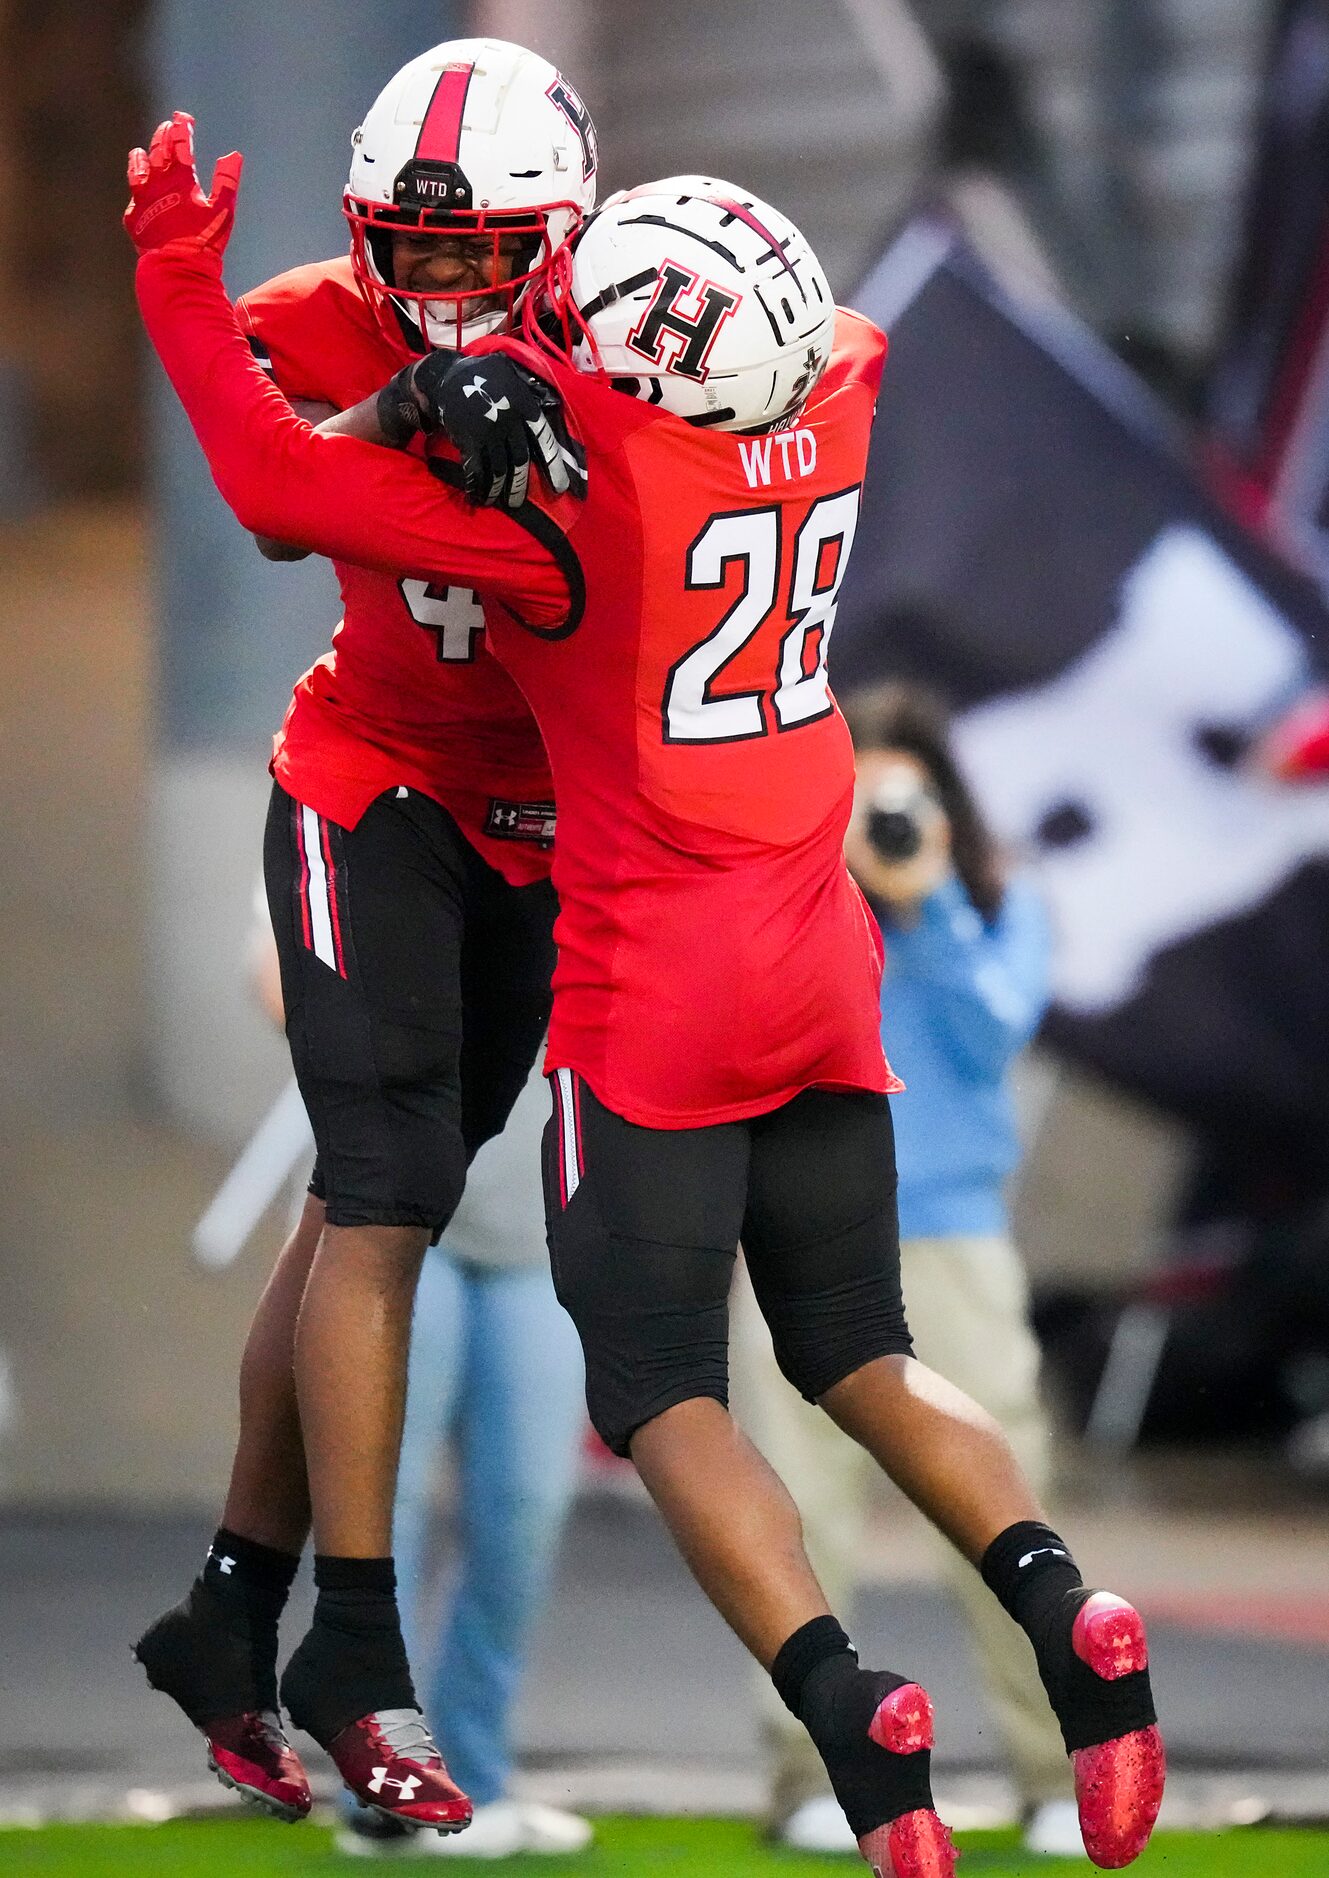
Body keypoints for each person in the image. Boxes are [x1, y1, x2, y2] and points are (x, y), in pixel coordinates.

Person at [125, 127, 1165, 1877]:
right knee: (868, 1352)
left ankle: (853, 1722)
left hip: (656, 988)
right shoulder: (837, 384)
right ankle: (1066, 1615)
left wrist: (192, 286)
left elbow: (277, 485)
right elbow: (786, 328)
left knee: (667, 1387)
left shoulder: (567, 504)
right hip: (822, 963)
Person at [130, 41, 598, 1836]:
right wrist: (393, 408)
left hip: (540, 823)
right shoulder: (336, 319)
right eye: (420, 252)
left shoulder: (630, 334)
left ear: (560, 239)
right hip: (369, 776)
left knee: (353, 1203)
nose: (447, 287)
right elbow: (263, 488)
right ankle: (355, 1636)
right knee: (388, 1187)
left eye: (486, 254)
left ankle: (228, 1611)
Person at [733, 682, 1083, 1858]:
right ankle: (810, 1780)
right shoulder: (787, 891)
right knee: (795, 1515)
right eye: (859, 795)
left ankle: (1055, 1772)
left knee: (1003, 1508)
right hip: (800, 1229)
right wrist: (816, 875)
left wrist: (926, 904)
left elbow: (995, 1034)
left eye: (904, 796)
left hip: (954, 1239)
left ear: (944, 804)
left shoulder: (992, 898)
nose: (881, 817)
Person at [338, 1053, 592, 1860]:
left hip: (545, 1231)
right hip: (397, 1220)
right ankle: (387, 1791)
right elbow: (277, 981)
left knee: (525, 1508)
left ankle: (476, 1777)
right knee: (386, 1508)